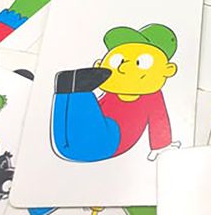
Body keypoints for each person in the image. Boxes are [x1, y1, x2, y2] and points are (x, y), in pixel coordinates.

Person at [51, 23, 179, 163]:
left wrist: (161, 145)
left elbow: (158, 118)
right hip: (71, 143)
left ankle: (72, 89)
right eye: (119, 60)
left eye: (139, 62)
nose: (123, 67)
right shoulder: (112, 94)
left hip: (110, 141)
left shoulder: (151, 96)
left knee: (83, 105)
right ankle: (67, 90)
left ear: (168, 69)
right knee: (71, 129)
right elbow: (98, 109)